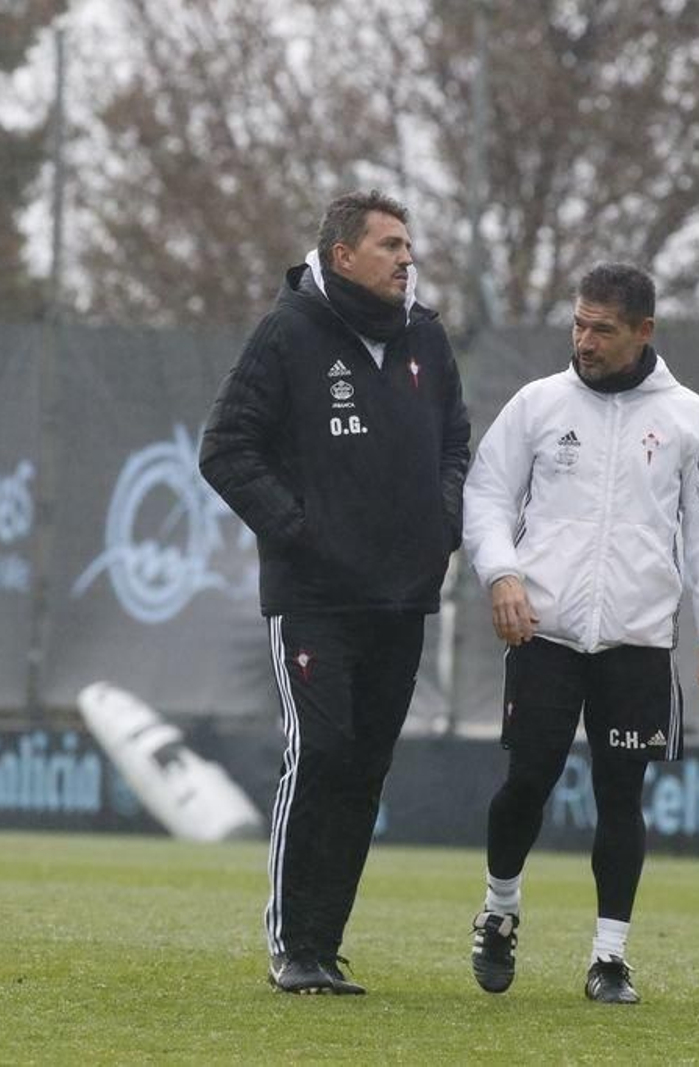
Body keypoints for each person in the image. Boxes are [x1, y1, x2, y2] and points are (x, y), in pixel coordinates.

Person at [199, 190, 471, 995]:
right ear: (342, 255)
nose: (405, 257)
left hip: (402, 598)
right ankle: (290, 942)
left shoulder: (426, 336)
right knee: (316, 753)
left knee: (364, 767)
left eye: (408, 245)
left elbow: (456, 440)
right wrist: (301, 529)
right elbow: (225, 448)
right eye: (388, 244)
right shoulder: (289, 331)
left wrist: (442, 524)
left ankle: (323, 945)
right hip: (315, 596)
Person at [461, 263, 699, 1004]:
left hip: (639, 644)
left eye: (602, 329)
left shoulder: (688, 417)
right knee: (526, 783)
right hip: (544, 634)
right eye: (578, 324)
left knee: (623, 797)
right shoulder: (537, 404)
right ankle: (499, 910)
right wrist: (501, 573)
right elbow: (486, 493)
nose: (584, 341)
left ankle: (609, 957)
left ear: (644, 332)